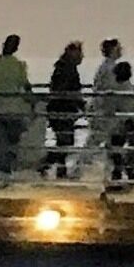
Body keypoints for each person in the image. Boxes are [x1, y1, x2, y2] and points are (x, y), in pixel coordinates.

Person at [0, 35, 34, 181]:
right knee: (12, 141)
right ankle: (6, 170)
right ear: (16, 48)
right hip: (13, 109)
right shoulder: (19, 65)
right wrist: (32, 101)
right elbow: (25, 84)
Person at [87, 46, 133, 184]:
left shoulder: (112, 81)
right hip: (114, 120)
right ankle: (122, 172)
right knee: (113, 148)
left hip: (110, 119)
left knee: (107, 147)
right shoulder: (125, 87)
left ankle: (120, 172)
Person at [42, 39, 85, 177]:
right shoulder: (68, 70)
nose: (81, 57)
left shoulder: (62, 68)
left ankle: (56, 167)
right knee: (65, 141)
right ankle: (50, 165)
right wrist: (80, 105)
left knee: (63, 141)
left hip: (58, 108)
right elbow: (70, 90)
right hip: (62, 108)